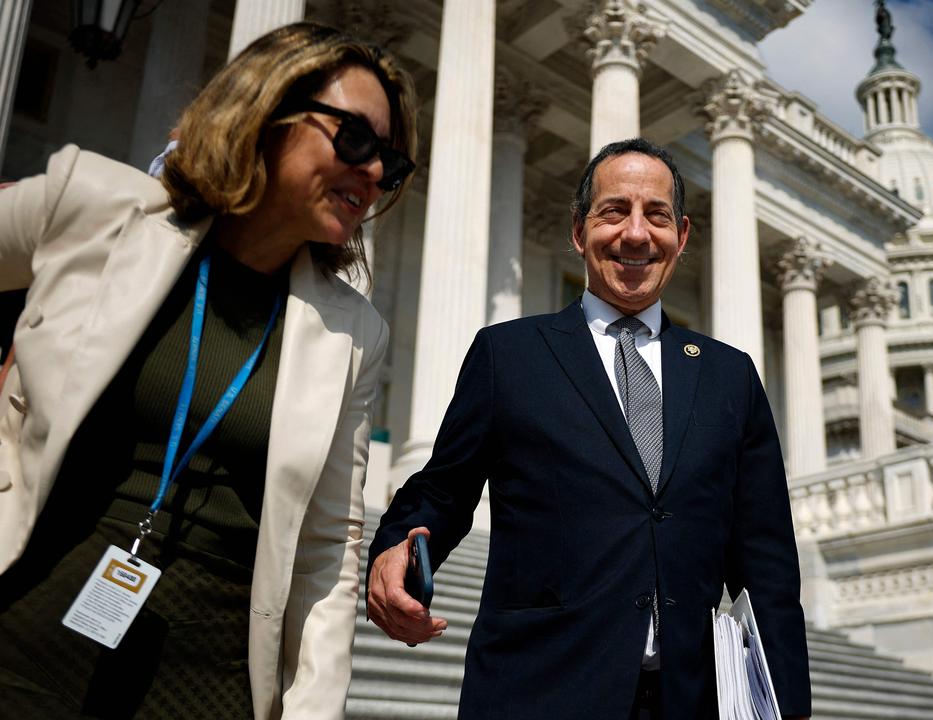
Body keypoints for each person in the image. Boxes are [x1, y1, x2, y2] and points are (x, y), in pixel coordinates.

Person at [0, 22, 417, 719]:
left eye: (392, 164)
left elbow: (327, 548)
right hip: (24, 639)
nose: (374, 173)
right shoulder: (91, 204)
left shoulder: (352, 333)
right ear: (267, 108)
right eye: (355, 140)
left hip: (205, 680)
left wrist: (313, 708)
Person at [367, 138, 812, 719]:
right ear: (579, 232)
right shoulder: (510, 354)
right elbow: (443, 489)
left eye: (655, 215)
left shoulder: (730, 374)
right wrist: (395, 547)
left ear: (682, 235)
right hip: (541, 687)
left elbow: (766, 555)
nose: (635, 234)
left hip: (690, 698)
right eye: (613, 212)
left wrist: (789, 702)